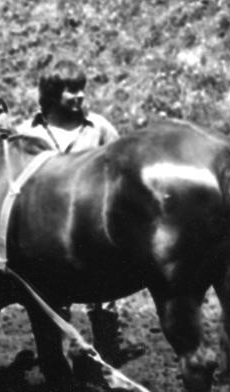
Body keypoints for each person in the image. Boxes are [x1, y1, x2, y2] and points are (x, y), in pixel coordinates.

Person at [17, 58, 139, 366]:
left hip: (91, 227)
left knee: (104, 293)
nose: (80, 96)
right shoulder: (27, 133)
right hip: (46, 233)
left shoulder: (99, 128)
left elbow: (121, 171)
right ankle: (58, 358)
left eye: (81, 89)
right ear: (51, 93)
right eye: (71, 90)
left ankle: (108, 352)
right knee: (52, 295)